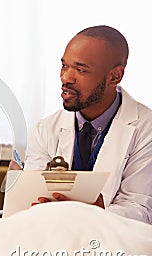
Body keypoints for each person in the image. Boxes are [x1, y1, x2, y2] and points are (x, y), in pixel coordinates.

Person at [17, 25, 152, 224]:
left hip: (116, 247)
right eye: (64, 66)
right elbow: (31, 202)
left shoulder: (145, 128)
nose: (66, 78)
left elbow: (141, 211)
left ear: (115, 76)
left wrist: (96, 215)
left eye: (80, 70)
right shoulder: (45, 129)